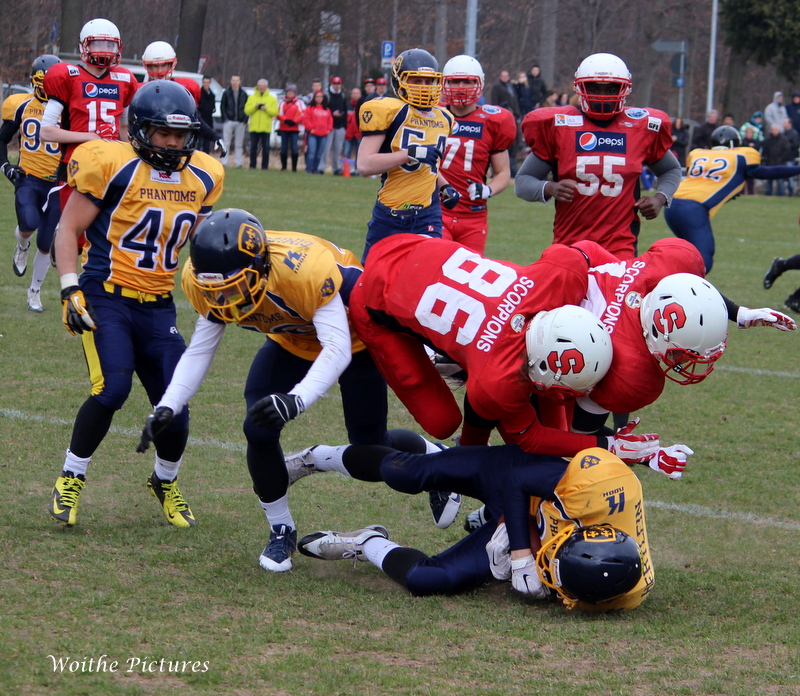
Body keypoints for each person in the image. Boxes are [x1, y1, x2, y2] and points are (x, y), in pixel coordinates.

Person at [139, 209, 436, 572]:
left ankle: (433, 457)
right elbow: (201, 349)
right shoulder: (205, 280)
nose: (225, 298)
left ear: (261, 266)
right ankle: (282, 529)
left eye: (234, 285)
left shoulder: (304, 270)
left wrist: (296, 399)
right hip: (291, 338)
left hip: (356, 337)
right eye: (217, 288)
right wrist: (169, 404)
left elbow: (337, 347)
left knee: (370, 448)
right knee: (257, 426)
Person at [47, 80, 225, 529]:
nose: (173, 143)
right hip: (106, 295)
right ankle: (72, 475)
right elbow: (67, 231)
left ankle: (164, 481)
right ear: (140, 130)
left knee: (175, 401)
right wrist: (70, 289)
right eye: (163, 134)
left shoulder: (203, 175)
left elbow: (201, 245)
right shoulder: (110, 164)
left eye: (180, 136)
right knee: (113, 389)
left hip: (159, 304)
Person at [345, 233, 679, 468]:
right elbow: (531, 439)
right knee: (442, 420)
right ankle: (458, 463)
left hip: (419, 247)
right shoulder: (498, 376)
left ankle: (466, 450)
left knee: (552, 434)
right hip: (374, 297)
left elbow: (588, 260)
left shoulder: (562, 276)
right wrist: (608, 445)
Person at [290, 444, 653, 611]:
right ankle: (316, 458)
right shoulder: (597, 487)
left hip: (533, 518)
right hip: (518, 478)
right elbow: (517, 481)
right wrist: (524, 556)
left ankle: (366, 542)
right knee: (403, 472)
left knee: (428, 581)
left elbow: (574, 578)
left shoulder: (614, 587)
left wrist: (523, 537)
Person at [516, 52, 681, 259]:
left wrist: (660, 197)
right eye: (594, 88)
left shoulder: (640, 127)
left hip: (620, 246)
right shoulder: (560, 126)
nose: (602, 95)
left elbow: (671, 169)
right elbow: (522, 182)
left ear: (624, 89)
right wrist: (549, 188)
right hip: (569, 246)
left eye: (611, 88)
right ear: (580, 88)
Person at [356, 48, 456, 262]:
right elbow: (364, 165)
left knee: (423, 279)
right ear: (399, 80)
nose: (423, 87)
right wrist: (409, 154)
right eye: (416, 80)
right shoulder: (389, 111)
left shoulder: (445, 118)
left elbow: (428, 165)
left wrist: (444, 185)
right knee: (371, 283)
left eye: (428, 82)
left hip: (428, 215)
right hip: (390, 214)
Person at [665, 126, 800, 271]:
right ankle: (679, 289)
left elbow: (708, 180)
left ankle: (671, 283)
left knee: (688, 253)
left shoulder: (697, 154)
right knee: (704, 260)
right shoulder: (741, 157)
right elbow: (771, 172)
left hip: (671, 206)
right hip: (693, 209)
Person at [41, 18, 138, 211]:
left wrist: (131, 159)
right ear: (84, 45)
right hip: (76, 163)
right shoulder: (68, 75)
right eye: (98, 43)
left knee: (110, 231)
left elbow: (124, 129)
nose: (104, 49)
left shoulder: (125, 79)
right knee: (75, 233)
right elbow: (46, 132)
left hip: (112, 164)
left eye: (110, 45)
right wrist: (90, 137)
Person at [0, 54, 62, 312]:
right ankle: (21, 244)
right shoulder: (21, 105)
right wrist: (6, 166)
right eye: (43, 82)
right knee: (29, 224)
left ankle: (34, 291)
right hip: (29, 178)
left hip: (58, 184)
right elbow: (2, 139)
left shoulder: (67, 109)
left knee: (46, 241)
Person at [438, 55, 516, 253]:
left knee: (469, 278)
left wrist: (488, 189)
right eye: (455, 81)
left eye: (468, 81)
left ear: (479, 83)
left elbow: (503, 172)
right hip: (436, 212)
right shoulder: (433, 115)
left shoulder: (493, 121)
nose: (461, 87)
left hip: (473, 215)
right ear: (445, 83)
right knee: (437, 268)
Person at [141, 41, 223, 156]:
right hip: (146, 149)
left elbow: (195, 119)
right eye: (155, 65)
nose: (160, 71)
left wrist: (215, 137)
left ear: (171, 64)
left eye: (163, 65)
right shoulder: (140, 92)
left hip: (175, 148)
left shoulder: (181, 91)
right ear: (147, 66)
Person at [244, 78, 278, 170]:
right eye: (260, 86)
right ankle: (252, 165)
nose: (261, 88)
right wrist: (255, 107)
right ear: (257, 87)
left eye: (263, 86)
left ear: (266, 87)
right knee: (253, 147)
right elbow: (247, 111)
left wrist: (266, 108)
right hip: (254, 127)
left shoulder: (272, 99)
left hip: (265, 127)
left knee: (266, 148)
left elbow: (275, 112)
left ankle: (265, 166)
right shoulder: (252, 97)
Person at [317, 75, 347, 175]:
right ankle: (321, 167)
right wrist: (332, 114)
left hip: (340, 126)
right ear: (331, 84)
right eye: (335, 83)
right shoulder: (327, 95)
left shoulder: (342, 95)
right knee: (326, 148)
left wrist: (344, 125)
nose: (337, 86)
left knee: (337, 149)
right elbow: (324, 109)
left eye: (338, 84)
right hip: (329, 127)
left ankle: (336, 168)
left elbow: (345, 110)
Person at [220, 75, 248, 167]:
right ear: (231, 81)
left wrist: (244, 120)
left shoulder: (244, 94)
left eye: (237, 80)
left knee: (239, 144)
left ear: (239, 82)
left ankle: (238, 163)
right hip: (229, 121)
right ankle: (224, 162)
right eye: (233, 80)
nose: (235, 82)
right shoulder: (226, 93)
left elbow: (247, 107)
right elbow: (222, 107)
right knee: (226, 143)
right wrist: (225, 119)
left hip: (240, 122)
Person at [302, 90, 333, 173]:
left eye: (321, 96)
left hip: (323, 135)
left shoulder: (327, 109)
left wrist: (328, 130)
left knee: (319, 154)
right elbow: (306, 119)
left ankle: (315, 170)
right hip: (313, 134)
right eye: (317, 96)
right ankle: (308, 169)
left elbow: (330, 120)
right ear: (314, 98)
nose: (319, 98)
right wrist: (311, 128)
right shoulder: (310, 108)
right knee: (311, 153)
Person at [276, 84, 304, 172]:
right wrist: (286, 120)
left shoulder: (299, 102)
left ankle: (294, 168)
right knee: (283, 147)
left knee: (294, 148)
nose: (290, 93)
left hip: (294, 129)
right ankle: (284, 167)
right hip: (284, 128)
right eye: (289, 92)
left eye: (292, 92)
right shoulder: (282, 102)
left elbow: (303, 114)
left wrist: (294, 121)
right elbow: (278, 114)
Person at [762, 124, 792, 197]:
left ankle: (781, 193)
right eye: (773, 130)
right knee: (769, 180)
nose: (774, 131)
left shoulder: (783, 139)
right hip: (770, 162)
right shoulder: (768, 139)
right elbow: (765, 151)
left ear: (778, 131)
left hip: (780, 162)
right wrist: (766, 159)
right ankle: (768, 193)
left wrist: (781, 159)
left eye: (776, 130)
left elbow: (787, 150)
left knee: (780, 180)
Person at [344, 86, 362, 174]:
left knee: (359, 153)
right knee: (347, 152)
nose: (355, 95)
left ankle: (357, 169)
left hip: (359, 133)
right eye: (354, 93)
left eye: (357, 93)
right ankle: (347, 169)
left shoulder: (363, 105)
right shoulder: (347, 105)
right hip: (348, 133)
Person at [198, 76, 216, 153]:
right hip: (200, 120)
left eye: (207, 82)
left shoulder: (212, 95)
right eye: (204, 82)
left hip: (208, 121)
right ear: (202, 83)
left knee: (206, 144)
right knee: (198, 143)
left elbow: (213, 107)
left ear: (210, 83)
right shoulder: (199, 93)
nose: (206, 84)